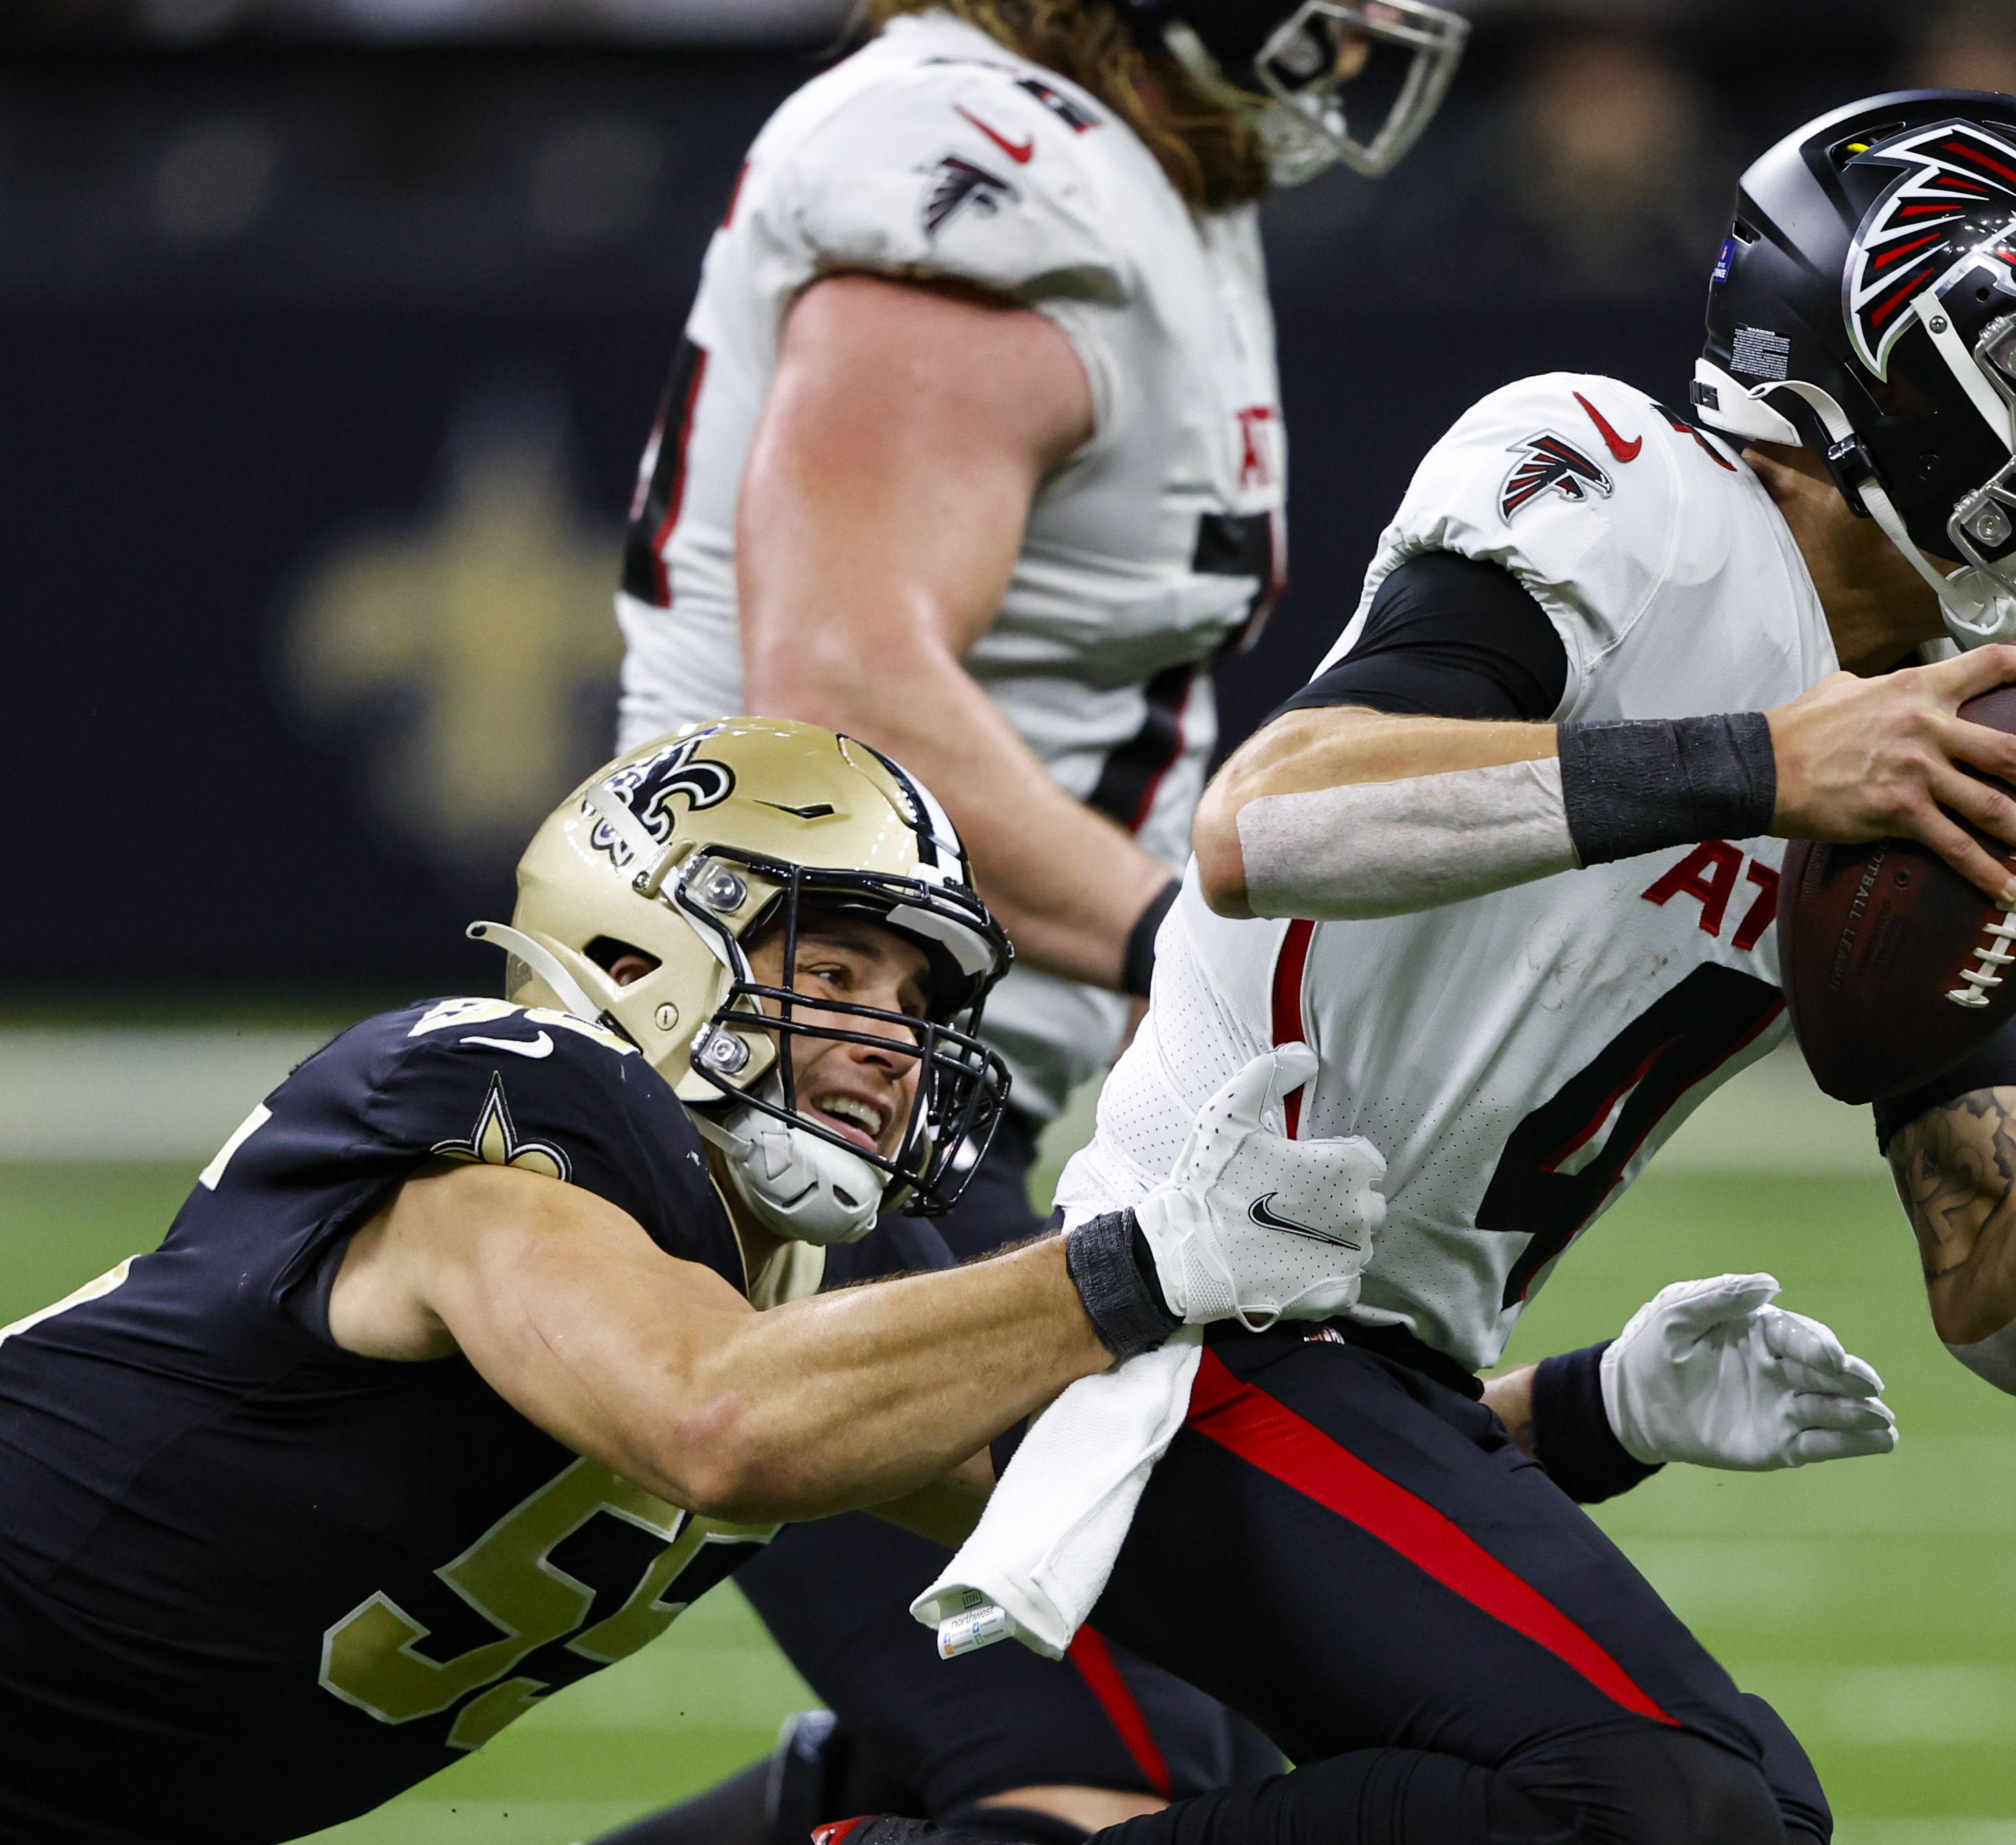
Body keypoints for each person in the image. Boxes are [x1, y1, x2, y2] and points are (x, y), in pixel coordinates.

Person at [847, 90, 2016, 1845]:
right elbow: (1266, 820)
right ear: (1903, 367)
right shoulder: (1621, 483)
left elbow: (2004, 1309)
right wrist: (1760, 763)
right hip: (1192, 1302)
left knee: (1742, 1809)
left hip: (1390, 1377)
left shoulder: (1977, 715)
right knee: (1659, 1800)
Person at [0, 719, 1404, 1844]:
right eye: (832, 970)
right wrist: (1133, 1268)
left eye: (915, 999)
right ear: (632, 950)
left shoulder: (801, 1267)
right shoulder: (515, 1110)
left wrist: (1569, 1421)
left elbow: (1127, 1497)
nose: (888, 1040)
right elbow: (712, 1420)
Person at [602, 0, 1480, 1835]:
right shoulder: (996, 163)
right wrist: (1203, 954)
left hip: (903, 1103)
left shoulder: (1136, 162)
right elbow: (841, 699)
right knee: (1123, 1771)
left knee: (1188, 1734)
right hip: (771, 1092)